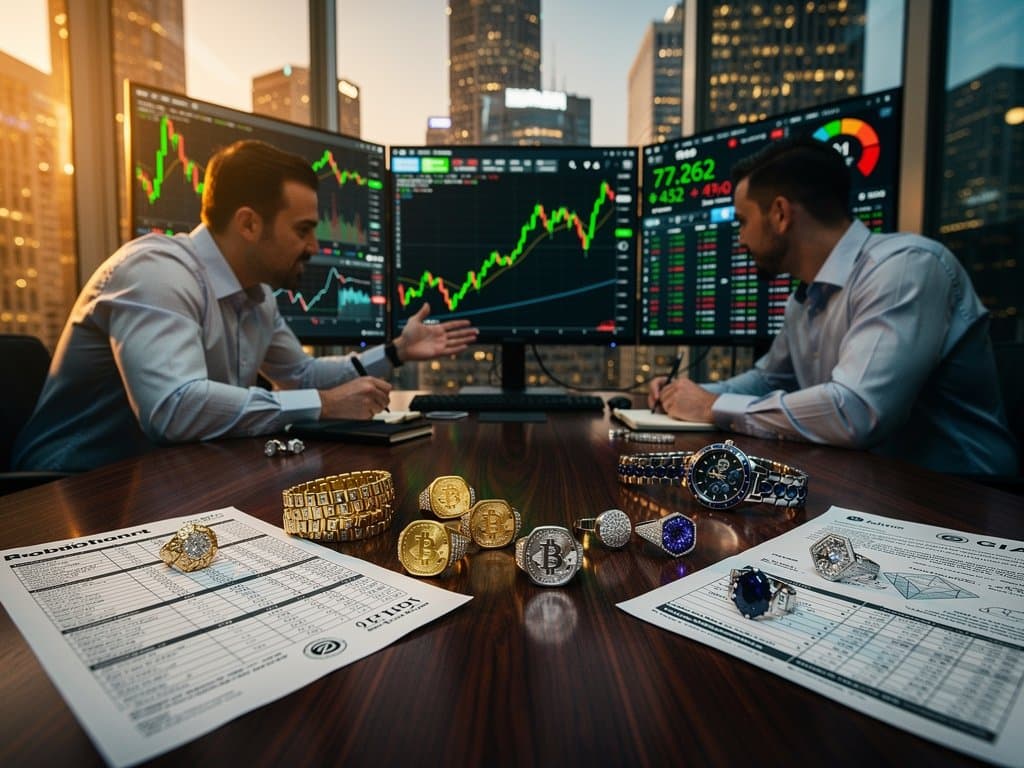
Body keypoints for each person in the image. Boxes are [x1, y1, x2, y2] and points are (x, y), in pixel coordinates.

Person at [14, 140, 478, 472]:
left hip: (160, 482)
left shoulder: (256, 296)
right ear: (250, 224)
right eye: (303, 229)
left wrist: (394, 351)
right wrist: (320, 405)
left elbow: (300, 376)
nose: (315, 245)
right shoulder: (156, 272)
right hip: (68, 494)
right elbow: (174, 409)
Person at [648, 136, 1017, 476]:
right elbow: (768, 379)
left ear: (780, 213)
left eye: (743, 221)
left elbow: (856, 411)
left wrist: (713, 406)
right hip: (876, 485)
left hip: (962, 501)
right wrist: (687, 394)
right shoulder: (807, 296)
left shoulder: (905, 267)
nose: (740, 237)